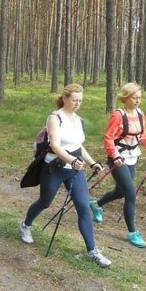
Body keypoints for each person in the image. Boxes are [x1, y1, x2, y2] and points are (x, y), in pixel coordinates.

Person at [19, 83, 111, 268]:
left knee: (84, 207)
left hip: (75, 171)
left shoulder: (79, 119)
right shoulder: (55, 117)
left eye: (80, 100)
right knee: (45, 202)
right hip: (54, 168)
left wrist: (92, 162)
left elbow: (78, 145)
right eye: (74, 100)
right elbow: (55, 145)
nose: (77, 103)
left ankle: (92, 251)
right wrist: (71, 160)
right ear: (65, 98)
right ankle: (26, 225)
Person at [89, 82, 146, 248]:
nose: (138, 100)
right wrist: (115, 155)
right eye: (134, 97)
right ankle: (133, 233)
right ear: (125, 98)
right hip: (118, 158)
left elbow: (143, 136)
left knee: (120, 192)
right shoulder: (118, 115)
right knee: (131, 193)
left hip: (132, 157)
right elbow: (108, 138)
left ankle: (96, 204)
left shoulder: (140, 114)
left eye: (139, 97)